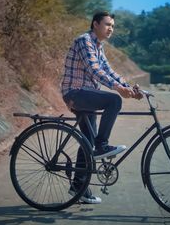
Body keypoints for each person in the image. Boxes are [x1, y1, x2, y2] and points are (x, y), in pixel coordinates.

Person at [61, 11, 142, 204]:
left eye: (112, 26)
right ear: (95, 24)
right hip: (76, 93)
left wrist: (129, 87)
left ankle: (78, 187)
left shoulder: (98, 46)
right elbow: (94, 69)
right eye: (107, 25)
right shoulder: (84, 41)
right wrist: (117, 89)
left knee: (86, 141)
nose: (111, 29)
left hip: (87, 95)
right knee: (114, 101)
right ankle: (102, 145)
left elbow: (107, 69)